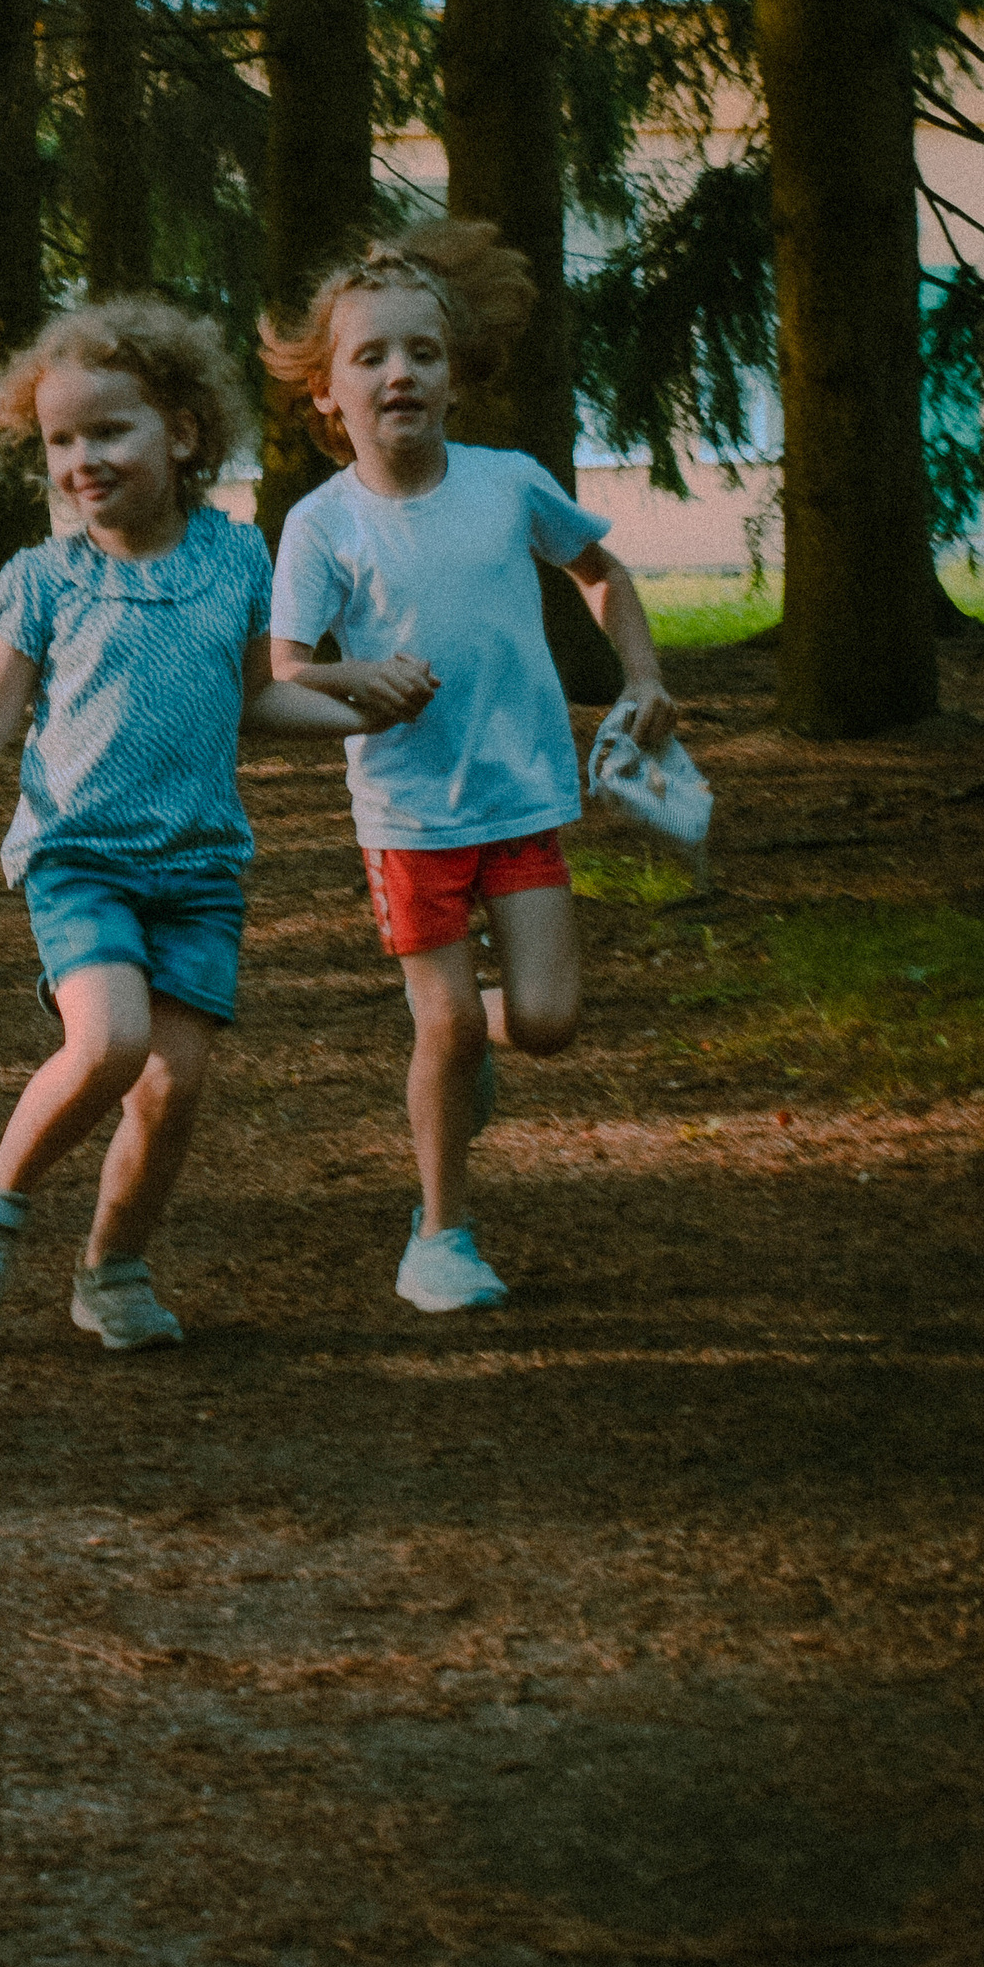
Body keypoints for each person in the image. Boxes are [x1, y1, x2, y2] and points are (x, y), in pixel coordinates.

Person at [0, 298, 382, 1352]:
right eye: (62, 440)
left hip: (200, 867)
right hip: (80, 859)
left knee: (172, 1086)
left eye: (109, 431)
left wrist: (364, 709)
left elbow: (256, 695)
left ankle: (111, 1267)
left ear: (184, 433)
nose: (82, 459)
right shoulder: (44, 580)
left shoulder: (237, 562)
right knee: (107, 1039)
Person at [260, 220, 675, 1315]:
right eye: (370, 356)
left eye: (423, 353)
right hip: (406, 813)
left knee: (541, 1021)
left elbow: (602, 571)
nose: (400, 372)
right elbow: (288, 670)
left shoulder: (505, 484)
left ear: (454, 377)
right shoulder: (321, 525)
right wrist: (362, 685)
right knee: (437, 1021)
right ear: (324, 394)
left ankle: (461, 1054)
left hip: (522, 796)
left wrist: (641, 676)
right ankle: (439, 1234)